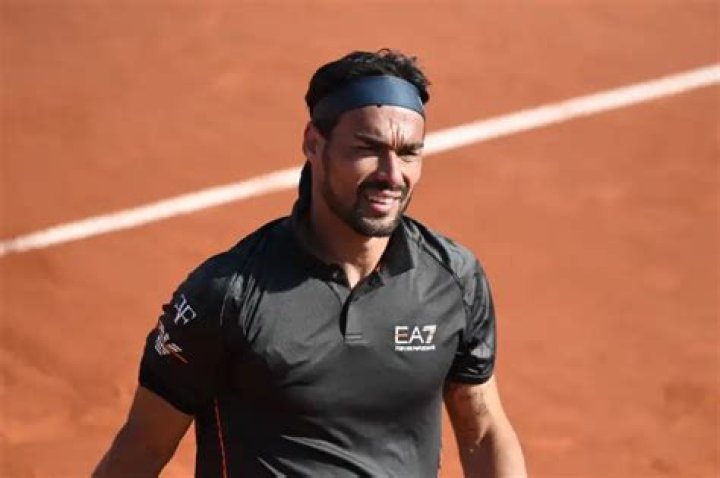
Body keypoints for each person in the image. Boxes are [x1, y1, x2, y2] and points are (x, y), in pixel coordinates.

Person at [93, 49, 527, 478]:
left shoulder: (453, 281)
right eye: (368, 148)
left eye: (409, 153)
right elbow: (144, 444)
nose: (392, 175)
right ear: (313, 144)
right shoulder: (228, 295)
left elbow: (484, 431)